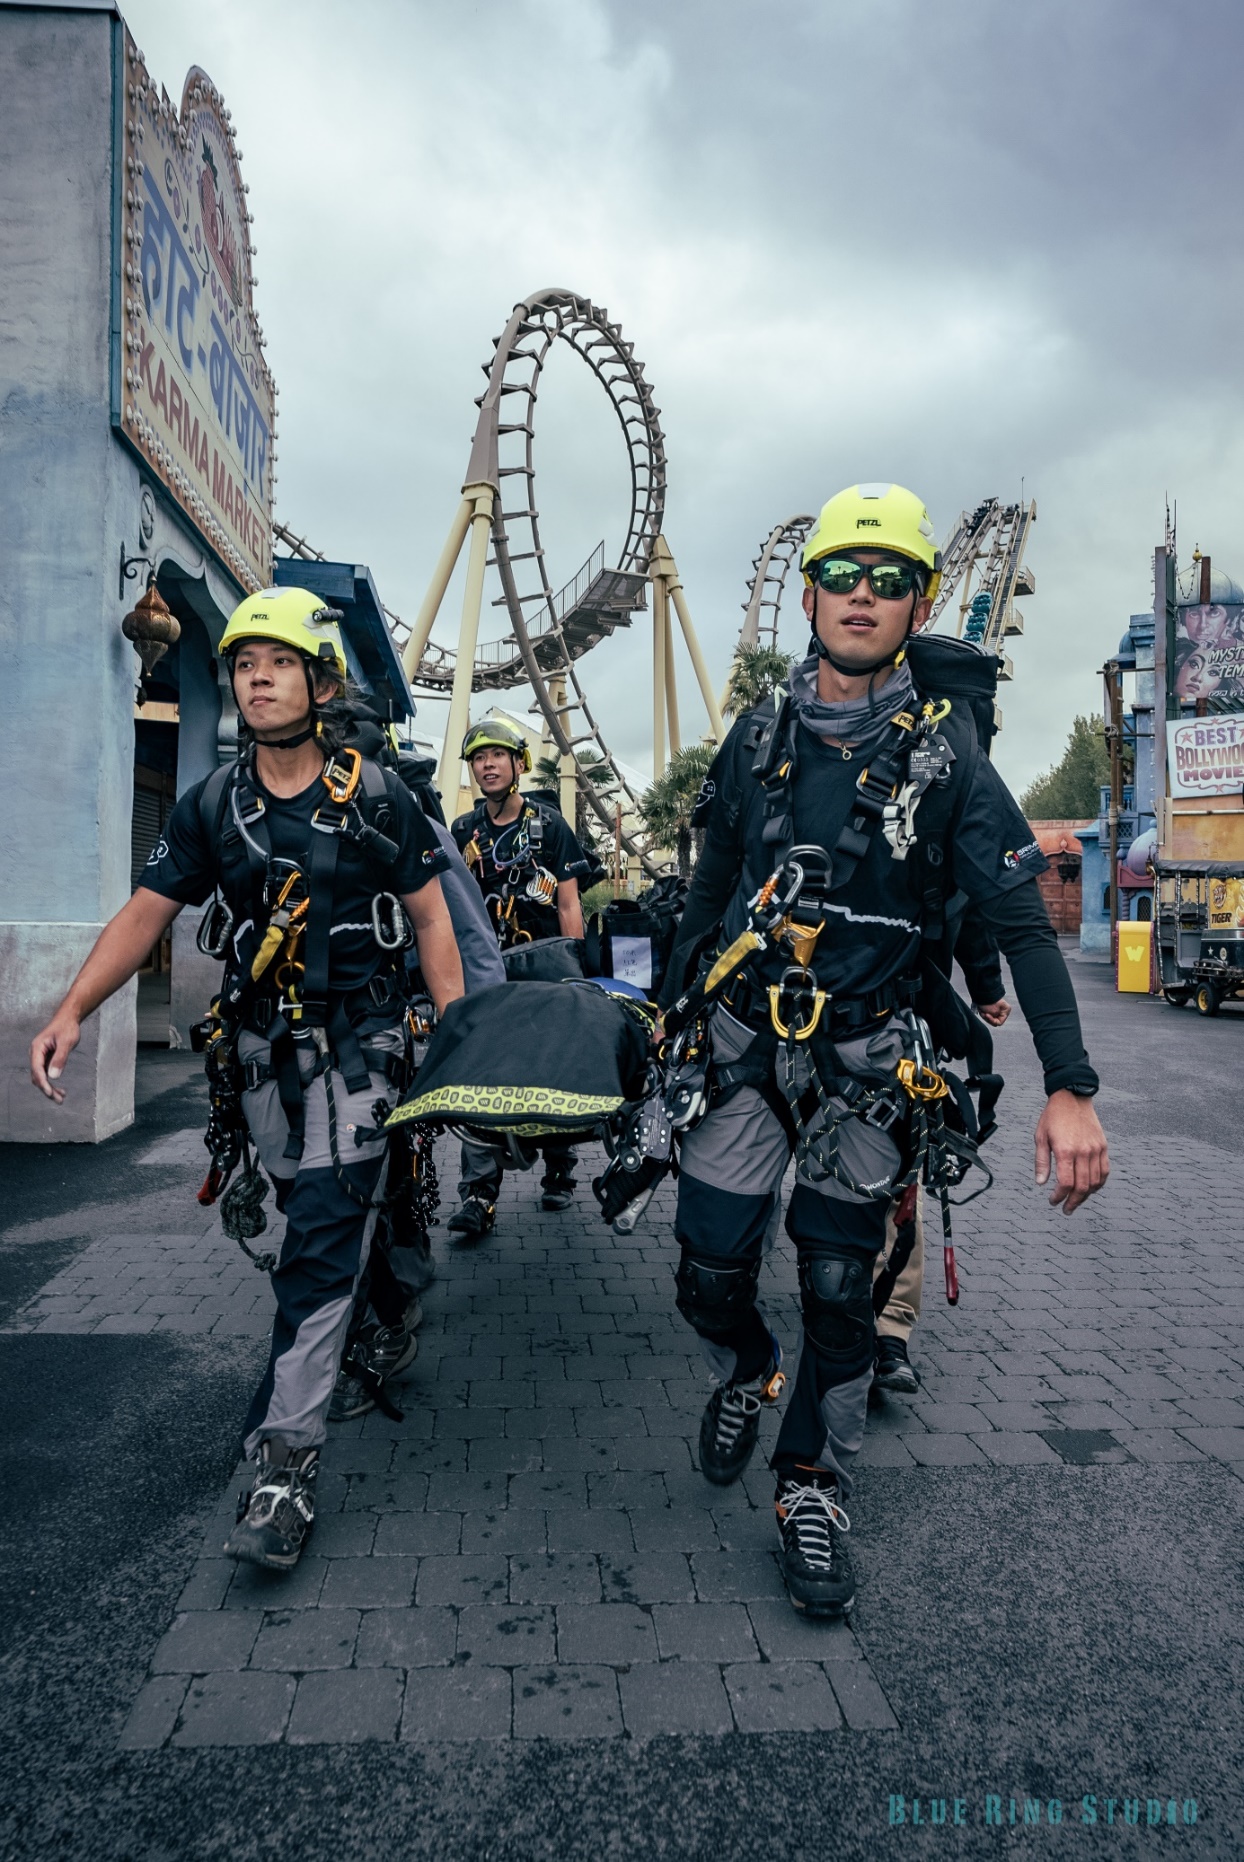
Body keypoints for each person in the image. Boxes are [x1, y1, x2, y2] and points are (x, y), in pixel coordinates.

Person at [657, 483, 1109, 1619]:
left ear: (916, 605)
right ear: (807, 594)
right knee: (707, 1272)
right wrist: (664, 1011)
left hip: (868, 1064)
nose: (863, 595)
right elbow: (707, 889)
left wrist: (1070, 1085)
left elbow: (1015, 921)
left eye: (891, 578)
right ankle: (747, 1364)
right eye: (844, 576)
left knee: (837, 1286)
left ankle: (809, 1480)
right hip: (740, 1047)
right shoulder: (752, 739)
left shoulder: (949, 760)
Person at [30, 587, 464, 1571]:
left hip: (363, 1050)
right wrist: (69, 1007)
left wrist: (459, 1029)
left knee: (315, 1244)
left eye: (277, 663)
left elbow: (433, 917)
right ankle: (391, 1296)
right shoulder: (211, 804)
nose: (256, 677)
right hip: (260, 1057)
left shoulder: (381, 797)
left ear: (319, 680)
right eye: (242, 664)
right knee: (308, 1216)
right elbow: (146, 912)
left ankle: (283, 1469)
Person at [447, 718, 593, 1239]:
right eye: (478, 758)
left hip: (544, 972)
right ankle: (478, 1194)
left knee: (547, 1071)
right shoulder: (462, 832)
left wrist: (575, 973)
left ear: (518, 764)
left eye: (496, 756)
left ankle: (559, 1167)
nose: (486, 765)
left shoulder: (550, 826)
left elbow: (569, 903)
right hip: (486, 975)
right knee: (479, 1076)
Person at [873, 910, 1011, 1395]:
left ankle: (889, 1329)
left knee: (900, 1173)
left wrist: (986, 983)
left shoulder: (930, 834)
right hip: (801, 1014)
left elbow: (965, 904)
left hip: (907, 1019)